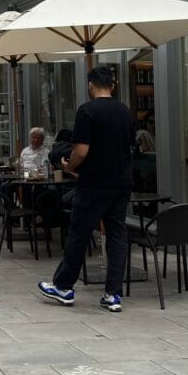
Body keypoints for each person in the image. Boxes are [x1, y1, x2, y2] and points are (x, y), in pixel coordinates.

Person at [37, 64, 134, 314]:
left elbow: (81, 150)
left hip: (94, 183)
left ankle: (63, 287)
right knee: (117, 237)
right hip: (121, 182)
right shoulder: (125, 111)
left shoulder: (87, 111)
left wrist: (69, 166)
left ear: (90, 85)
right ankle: (113, 295)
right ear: (113, 85)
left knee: (79, 234)